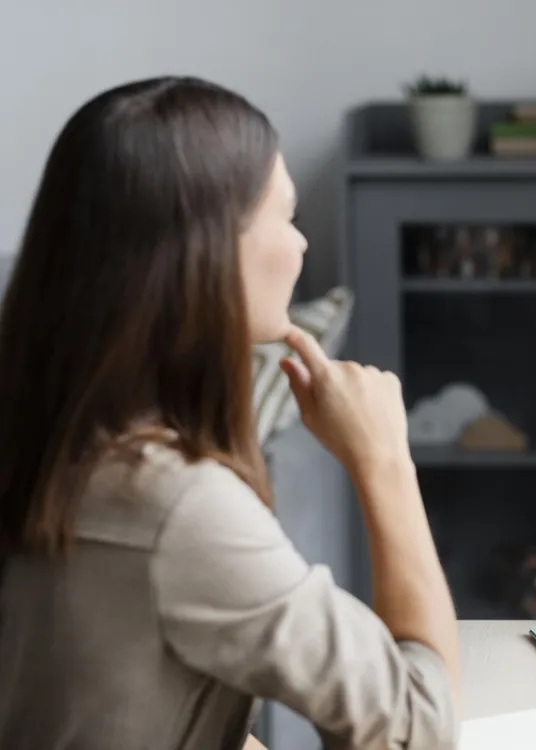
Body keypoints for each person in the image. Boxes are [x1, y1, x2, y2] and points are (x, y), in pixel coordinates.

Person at [0, 76, 459, 750]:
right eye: (287, 215)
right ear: (208, 250)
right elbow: (419, 731)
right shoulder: (175, 505)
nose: (301, 246)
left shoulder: (46, 442)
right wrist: (385, 460)